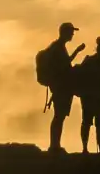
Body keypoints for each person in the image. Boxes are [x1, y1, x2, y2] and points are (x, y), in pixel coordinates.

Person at [35, 22, 85, 154]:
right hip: (60, 87)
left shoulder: (58, 47)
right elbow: (63, 66)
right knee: (59, 116)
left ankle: (55, 145)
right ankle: (54, 146)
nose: (73, 35)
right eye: (71, 32)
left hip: (60, 86)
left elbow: (65, 63)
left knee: (60, 116)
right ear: (65, 33)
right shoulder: (57, 47)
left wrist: (76, 52)